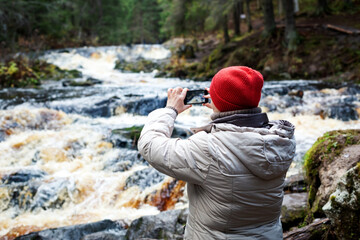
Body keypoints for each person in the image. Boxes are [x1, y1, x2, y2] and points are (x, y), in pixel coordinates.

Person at [138, 66, 296, 240]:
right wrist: (221, 106)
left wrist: (170, 110)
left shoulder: (208, 148)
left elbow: (149, 145)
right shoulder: (281, 139)